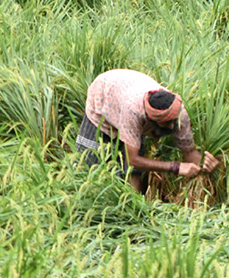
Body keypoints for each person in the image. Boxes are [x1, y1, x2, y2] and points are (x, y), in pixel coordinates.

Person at [75, 69, 219, 192]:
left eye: (172, 122)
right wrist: (176, 167)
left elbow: (189, 152)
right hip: (103, 99)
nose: (171, 127)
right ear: (149, 120)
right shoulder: (134, 113)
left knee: (132, 173)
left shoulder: (179, 115)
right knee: (88, 169)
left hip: (126, 91)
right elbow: (133, 161)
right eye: (166, 123)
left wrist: (205, 166)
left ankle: (134, 214)